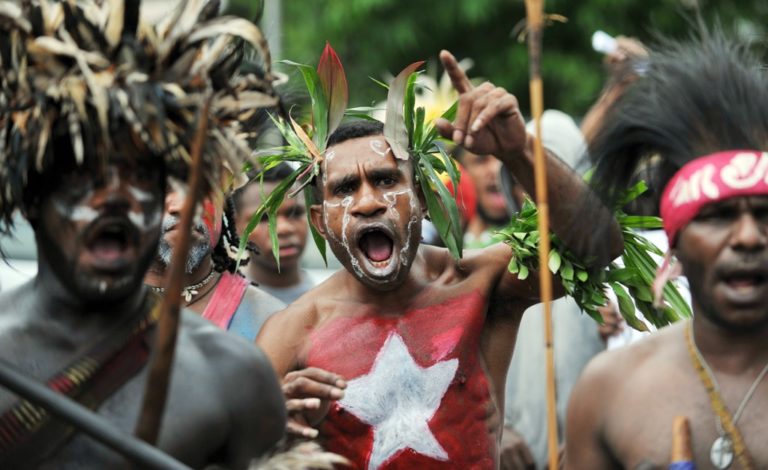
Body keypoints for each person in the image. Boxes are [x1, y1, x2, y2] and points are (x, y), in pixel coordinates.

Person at [256, 50, 623, 468]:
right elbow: (238, 454)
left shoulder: (480, 283)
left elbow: (600, 246)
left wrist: (518, 151)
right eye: (344, 189)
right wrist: (274, 437)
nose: (369, 202)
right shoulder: (292, 333)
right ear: (320, 223)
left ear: (425, 199)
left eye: (385, 179)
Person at [0, 1, 285, 467]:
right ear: (32, 196)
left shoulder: (234, 378)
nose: (115, 196)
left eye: (139, 173)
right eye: (83, 172)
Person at [565, 31, 768, 469]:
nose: (749, 236)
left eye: (766, 213)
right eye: (718, 216)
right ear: (674, 243)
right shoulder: (610, 391)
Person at [145, 189, 284, 340]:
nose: (184, 205)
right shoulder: (115, 311)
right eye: (163, 184)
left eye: (203, 184)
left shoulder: (271, 322)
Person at [232, 164, 316, 305]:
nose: (283, 228)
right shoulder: (223, 311)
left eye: (295, 213)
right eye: (263, 218)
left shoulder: (339, 299)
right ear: (236, 226)